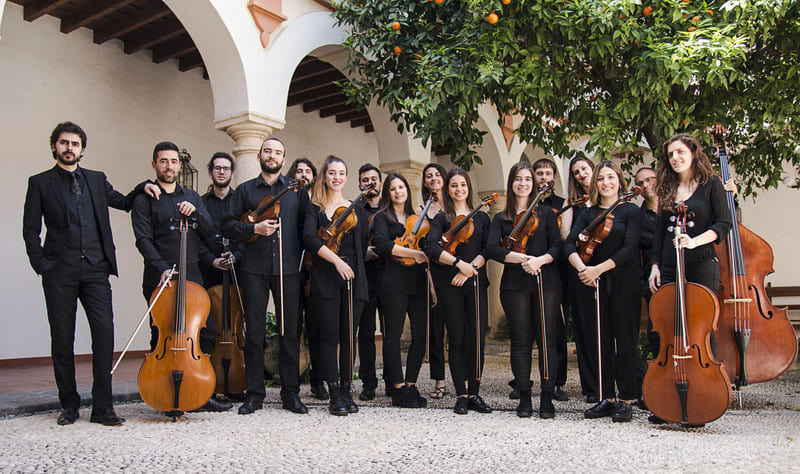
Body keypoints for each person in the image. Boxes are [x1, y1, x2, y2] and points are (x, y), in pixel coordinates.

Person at [23, 121, 158, 426]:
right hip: (59, 273)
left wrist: (142, 187)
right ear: (54, 146)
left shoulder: (97, 181)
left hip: (96, 270)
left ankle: (102, 408)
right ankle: (69, 405)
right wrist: (42, 265)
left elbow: (123, 203)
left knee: (104, 336)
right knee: (62, 339)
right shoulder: (40, 183)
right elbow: (31, 230)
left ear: (82, 149)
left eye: (75, 143)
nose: (69, 148)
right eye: (64, 143)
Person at [131, 141, 231, 416]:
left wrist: (196, 213)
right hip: (158, 278)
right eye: (163, 161)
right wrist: (162, 267)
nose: (169, 166)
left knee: (205, 331)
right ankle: (163, 394)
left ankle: (200, 393)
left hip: (193, 277)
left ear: (179, 165)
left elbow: (210, 231)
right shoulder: (144, 199)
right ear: (155, 165)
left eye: (174, 161)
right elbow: (143, 240)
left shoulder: (191, 197)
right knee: (161, 334)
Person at [647, 133, 733, 424]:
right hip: (671, 264)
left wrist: (694, 241)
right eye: (671, 154)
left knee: (700, 327)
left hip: (700, 262)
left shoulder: (711, 185)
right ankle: (667, 399)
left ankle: (705, 398)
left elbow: (724, 223)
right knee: (670, 328)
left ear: (693, 153)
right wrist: (655, 265)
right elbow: (660, 231)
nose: (676, 158)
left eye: (680, 152)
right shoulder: (667, 187)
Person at [221, 138, 311, 415]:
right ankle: (255, 394)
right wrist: (254, 230)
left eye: (278, 153)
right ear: (260, 155)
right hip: (254, 270)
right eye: (268, 151)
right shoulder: (245, 190)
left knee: (289, 333)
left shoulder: (296, 191)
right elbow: (227, 224)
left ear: (284, 160)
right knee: (255, 334)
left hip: (288, 270)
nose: (272, 156)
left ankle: (291, 394)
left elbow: (307, 229)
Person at [564, 160, 642, 422]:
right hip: (592, 283)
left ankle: (627, 398)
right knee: (601, 341)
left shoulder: (631, 211)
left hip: (623, 282)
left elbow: (629, 248)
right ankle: (606, 397)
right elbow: (570, 244)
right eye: (600, 179)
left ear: (619, 180)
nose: (606, 183)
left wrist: (598, 269)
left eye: (610, 177)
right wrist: (582, 269)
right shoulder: (587, 213)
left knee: (625, 340)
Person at [487, 162, 562, 418]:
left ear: (534, 183)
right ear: (511, 183)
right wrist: (522, 259)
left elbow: (556, 247)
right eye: (518, 179)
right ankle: (525, 396)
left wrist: (539, 261)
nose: (523, 183)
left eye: (528, 179)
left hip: (546, 280)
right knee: (520, 340)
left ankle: (547, 397)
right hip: (515, 284)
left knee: (547, 339)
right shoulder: (501, 217)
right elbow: (492, 249)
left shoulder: (548, 213)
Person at [303, 155, 369, 416]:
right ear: (324, 176)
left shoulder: (355, 209)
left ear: (346, 177)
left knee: (348, 337)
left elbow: (360, 245)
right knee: (329, 337)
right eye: (332, 173)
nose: (337, 177)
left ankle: (346, 389)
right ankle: (334, 393)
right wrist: (336, 262)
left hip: (352, 277)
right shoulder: (315, 209)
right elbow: (310, 238)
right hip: (326, 276)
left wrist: (350, 267)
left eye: (341, 173)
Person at [424, 168, 491, 415]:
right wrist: (456, 264)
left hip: (475, 283)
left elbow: (489, 249)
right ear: (448, 190)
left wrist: (469, 268)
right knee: (457, 339)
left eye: (462, 185)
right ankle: (461, 394)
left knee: (476, 338)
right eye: (454, 185)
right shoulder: (442, 219)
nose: (459, 189)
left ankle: (475, 392)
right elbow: (430, 247)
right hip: (449, 285)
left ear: (468, 188)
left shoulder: (483, 218)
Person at [371, 172, 429, 408]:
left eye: (401, 187)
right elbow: (384, 245)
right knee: (393, 335)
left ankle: (411, 384)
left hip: (417, 280)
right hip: (392, 280)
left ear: (407, 189)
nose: (398, 192)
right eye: (393, 188)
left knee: (420, 334)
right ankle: (396, 387)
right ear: (388, 193)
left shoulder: (419, 218)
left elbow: (429, 245)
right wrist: (414, 253)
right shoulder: (381, 218)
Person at [198, 152, 245, 401]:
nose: (222, 172)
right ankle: (210, 381)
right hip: (209, 271)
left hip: (236, 272)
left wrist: (235, 255)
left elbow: (246, 234)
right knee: (210, 326)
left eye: (226, 169)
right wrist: (211, 259)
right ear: (210, 172)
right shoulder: (202, 202)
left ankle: (238, 381)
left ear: (232, 173)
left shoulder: (240, 201)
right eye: (217, 168)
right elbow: (197, 236)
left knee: (236, 324)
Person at [287, 158, 327, 400]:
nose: (303, 174)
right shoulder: (289, 199)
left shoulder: (319, 204)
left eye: (307, 171)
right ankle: (290, 382)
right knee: (292, 328)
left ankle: (318, 379)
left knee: (317, 329)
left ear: (314, 175)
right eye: (298, 170)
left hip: (316, 273)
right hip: (293, 269)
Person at [531, 158, 569, 402]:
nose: (544, 177)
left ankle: (556, 381)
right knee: (529, 329)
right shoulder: (527, 204)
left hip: (556, 268)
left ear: (554, 178)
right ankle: (523, 380)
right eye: (540, 173)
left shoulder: (561, 204)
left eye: (548, 173)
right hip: (529, 268)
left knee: (556, 329)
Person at [562, 156, 598, 403]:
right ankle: (592, 387)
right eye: (576, 172)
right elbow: (566, 235)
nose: (581, 174)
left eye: (584, 169)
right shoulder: (572, 203)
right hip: (580, 266)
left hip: (607, 267)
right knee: (585, 330)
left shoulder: (609, 195)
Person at [419, 163, 448, 400]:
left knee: (459, 330)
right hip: (429, 274)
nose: (434, 179)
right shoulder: (421, 209)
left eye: (437, 174)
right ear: (425, 182)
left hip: (452, 271)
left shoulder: (454, 207)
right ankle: (439, 380)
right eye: (429, 176)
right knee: (435, 330)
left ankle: (463, 378)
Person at [355, 163, 383, 400]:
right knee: (366, 332)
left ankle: (394, 381)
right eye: (365, 180)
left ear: (381, 183)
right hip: (365, 277)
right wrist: (362, 252)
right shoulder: (354, 209)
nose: (370, 183)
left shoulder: (392, 208)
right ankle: (368, 382)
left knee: (391, 332)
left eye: (374, 179)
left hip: (391, 277)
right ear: (360, 184)